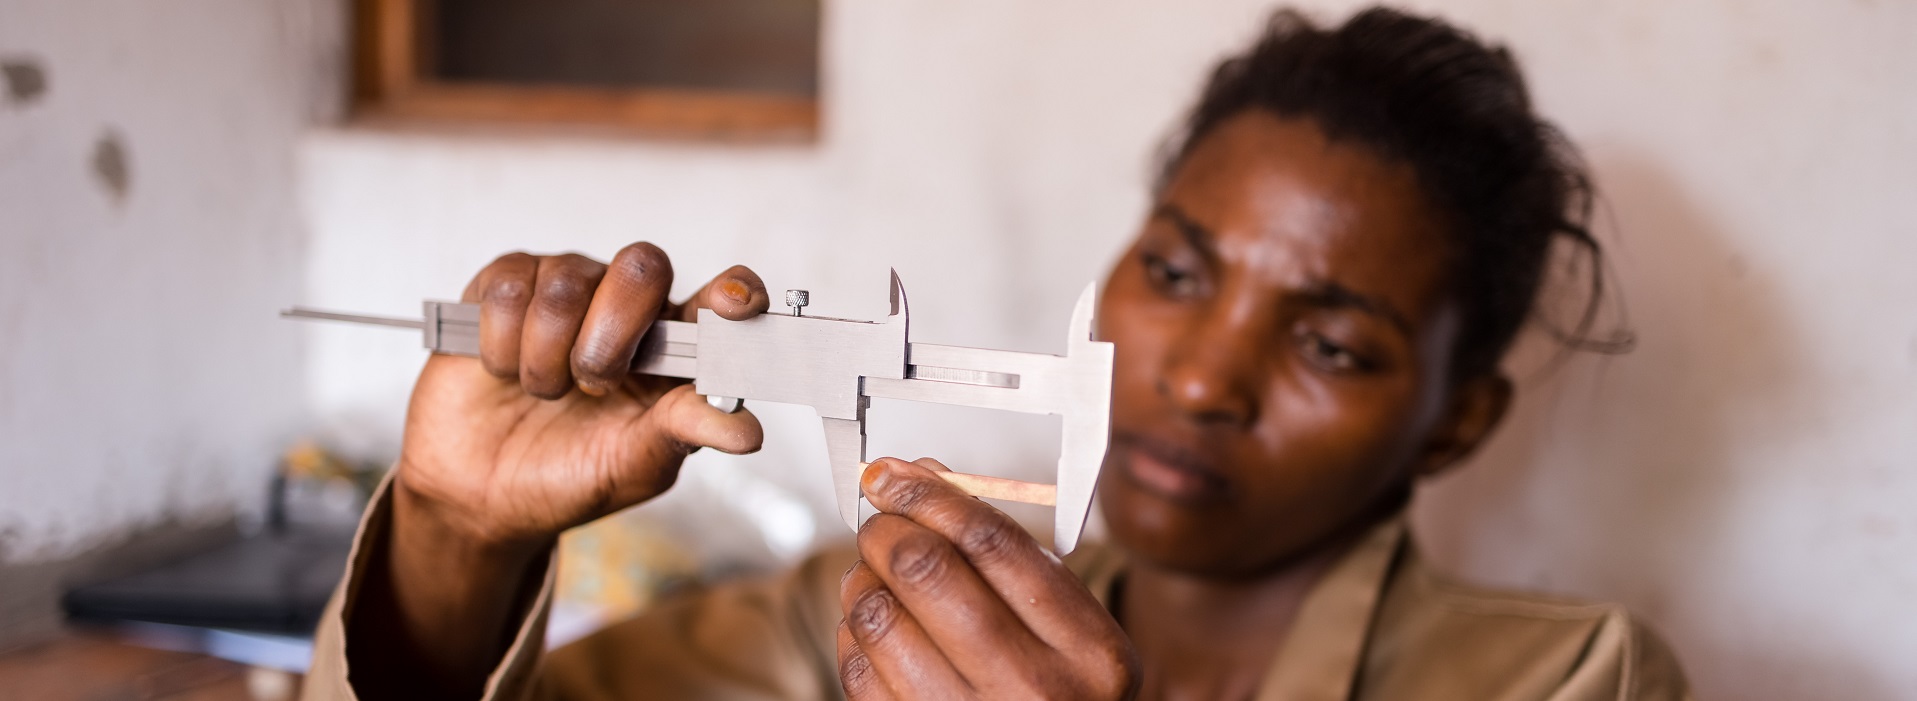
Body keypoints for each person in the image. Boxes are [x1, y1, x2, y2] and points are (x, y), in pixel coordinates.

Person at [303, 7, 1690, 700]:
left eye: (1329, 339)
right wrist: (450, 540)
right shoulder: (846, 617)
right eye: (1172, 271)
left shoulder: (1571, 676)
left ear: (1456, 421)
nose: (1203, 374)